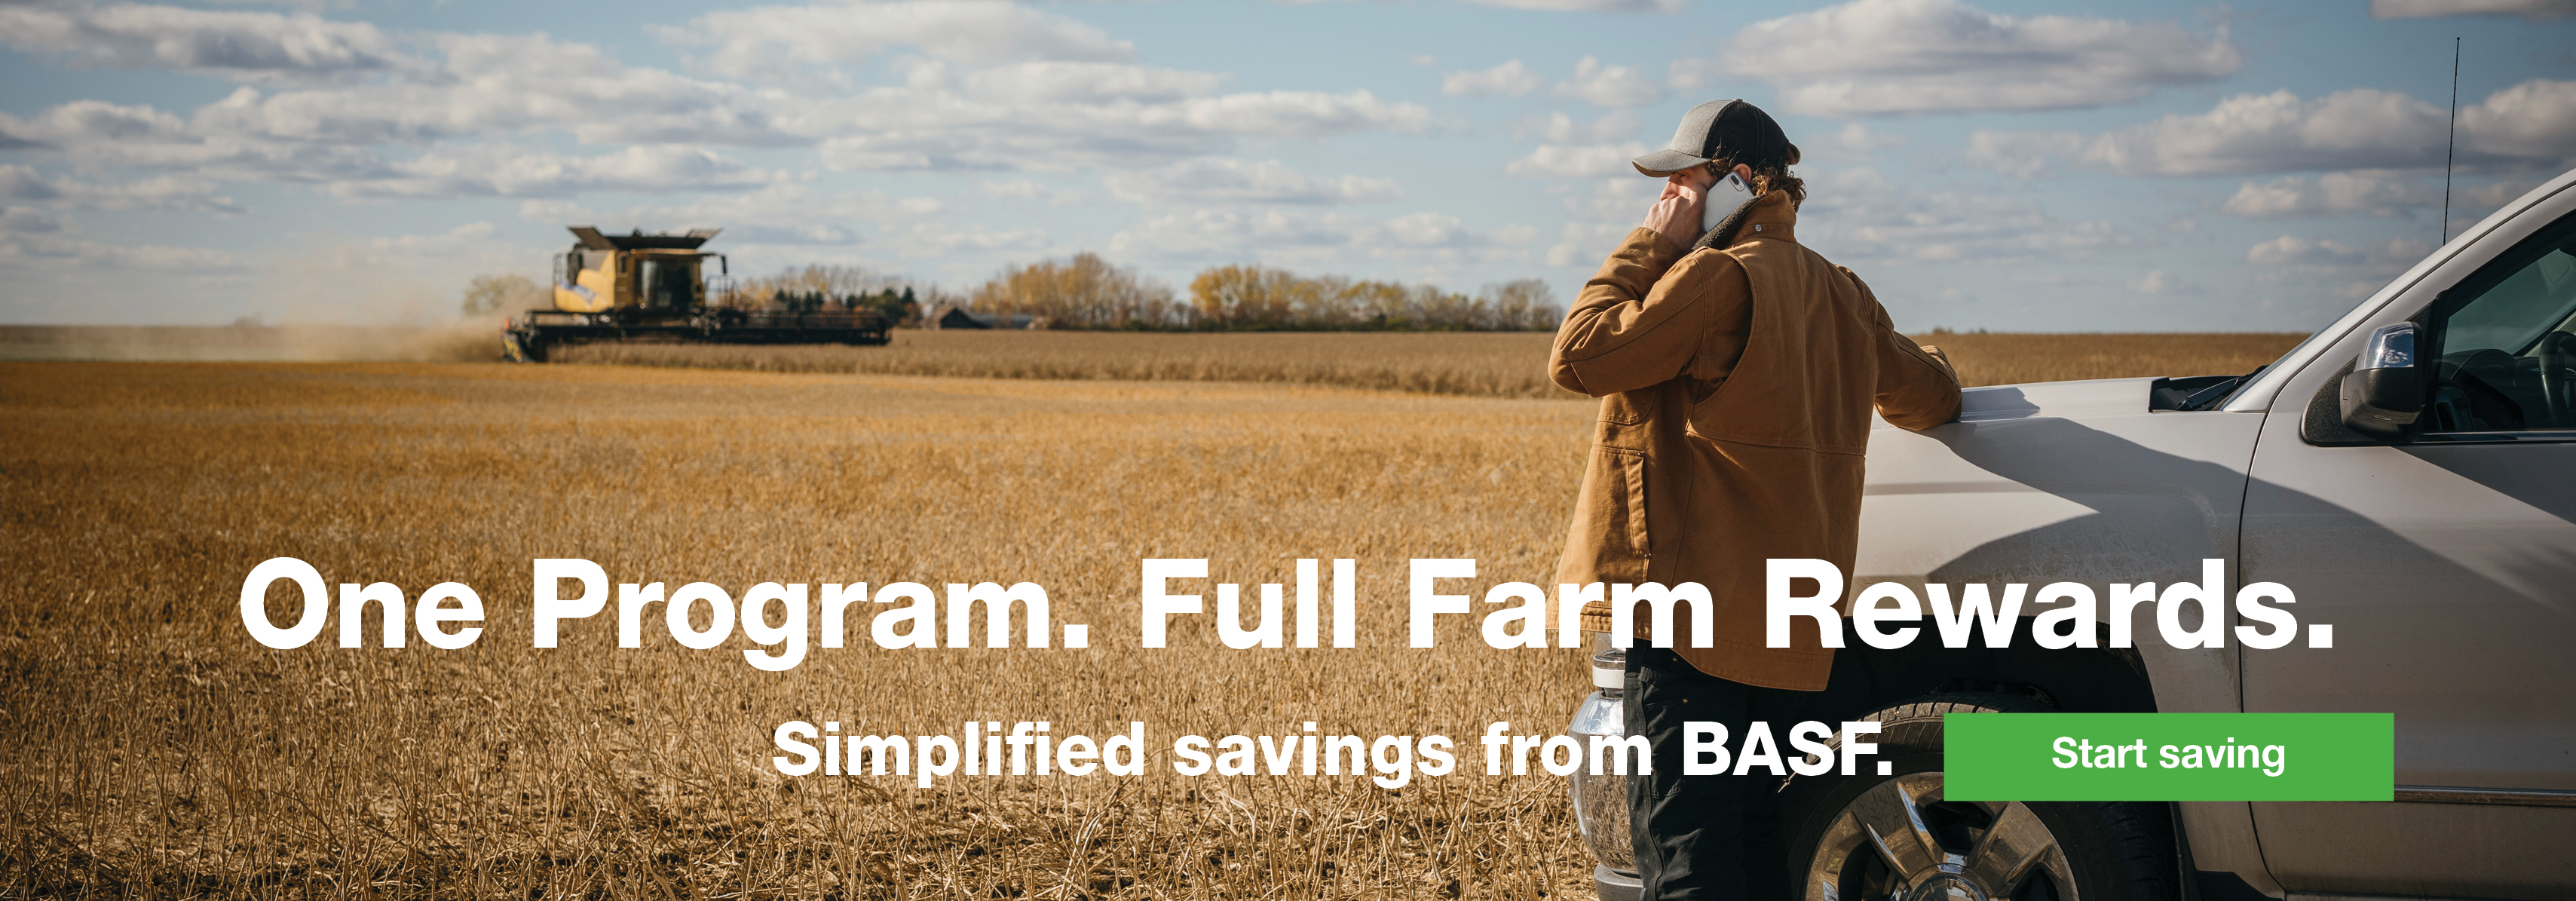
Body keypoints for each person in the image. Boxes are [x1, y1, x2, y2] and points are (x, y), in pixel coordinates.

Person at [1548, 99, 1963, 899]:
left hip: (1690, 625)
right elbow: (1930, 396)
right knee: (1761, 848)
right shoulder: (1842, 293)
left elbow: (1580, 353)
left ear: (1738, 180)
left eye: (1683, 181)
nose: (1668, 197)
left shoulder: (1712, 276)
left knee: (1690, 862)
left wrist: (1651, 244)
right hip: (1788, 631)